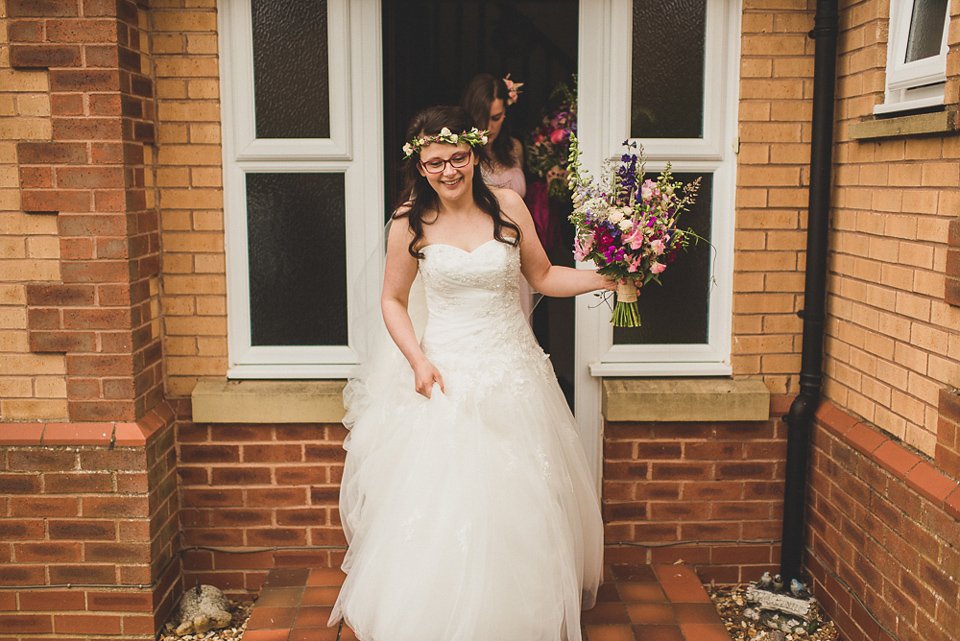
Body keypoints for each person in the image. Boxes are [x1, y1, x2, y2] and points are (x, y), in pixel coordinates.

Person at [328, 106, 613, 641]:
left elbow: (545, 275)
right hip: (446, 376)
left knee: (523, 494)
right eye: (435, 162)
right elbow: (391, 300)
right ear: (419, 164)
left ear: (476, 153)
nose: (449, 171)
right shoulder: (409, 222)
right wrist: (417, 359)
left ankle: (517, 613)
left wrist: (608, 278)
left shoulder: (507, 206)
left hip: (515, 372)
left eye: (458, 157)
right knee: (448, 497)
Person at [462, 73, 526, 197]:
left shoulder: (514, 148)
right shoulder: (461, 153)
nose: (488, 127)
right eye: (481, 119)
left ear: (505, 113)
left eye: (496, 118)